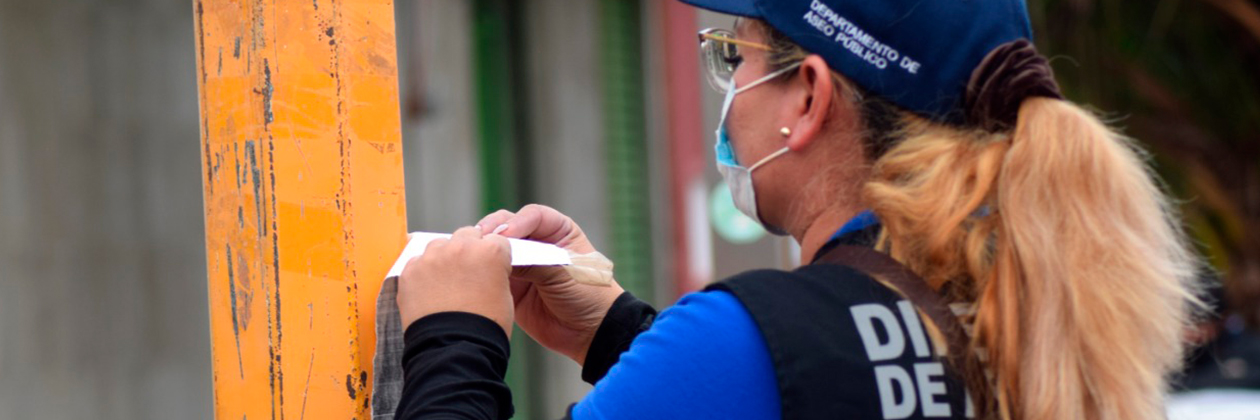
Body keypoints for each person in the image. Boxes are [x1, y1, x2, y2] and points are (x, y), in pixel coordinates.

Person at [392, 0, 1205, 418]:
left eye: (733, 56)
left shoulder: (741, 343)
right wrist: (618, 334)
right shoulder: (1033, 317)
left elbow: (778, 375)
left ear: (809, 96)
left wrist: (453, 341)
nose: (730, 91)